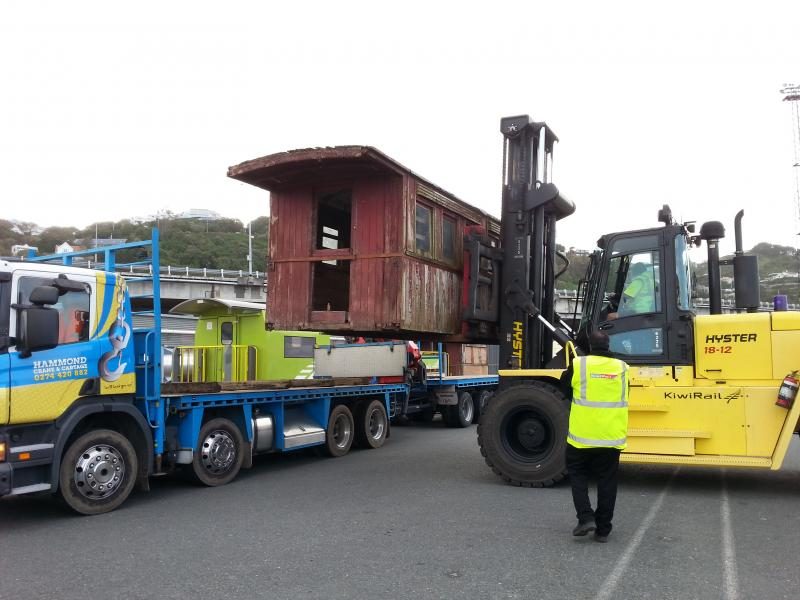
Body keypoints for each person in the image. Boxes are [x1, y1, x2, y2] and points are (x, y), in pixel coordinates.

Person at [560, 330, 629, 543]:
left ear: (590, 345)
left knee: (578, 475)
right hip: (610, 437)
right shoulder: (622, 368)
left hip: (581, 436)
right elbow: (627, 394)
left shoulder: (579, 365)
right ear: (608, 345)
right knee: (607, 481)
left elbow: (565, 389)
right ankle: (603, 530)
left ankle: (585, 517)